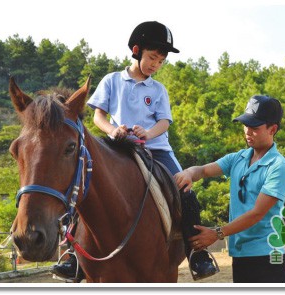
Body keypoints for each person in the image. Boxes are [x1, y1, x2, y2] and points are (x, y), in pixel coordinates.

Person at [51, 21, 217, 281]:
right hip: (117, 146)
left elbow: (164, 122)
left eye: (161, 61)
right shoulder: (112, 80)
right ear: (137, 50)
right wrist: (111, 130)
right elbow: (98, 116)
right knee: (85, 185)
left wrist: (148, 133)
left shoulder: (158, 90)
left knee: (185, 188)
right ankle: (73, 254)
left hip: (156, 149)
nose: (155, 65)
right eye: (152, 57)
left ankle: (197, 253)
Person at [174, 95, 285, 283]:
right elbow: (204, 170)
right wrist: (189, 173)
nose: (248, 131)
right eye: (246, 125)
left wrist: (217, 233)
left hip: (267, 257)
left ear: (273, 129)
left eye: (255, 127)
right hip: (240, 256)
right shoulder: (238, 158)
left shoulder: (278, 167)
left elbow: (256, 213)